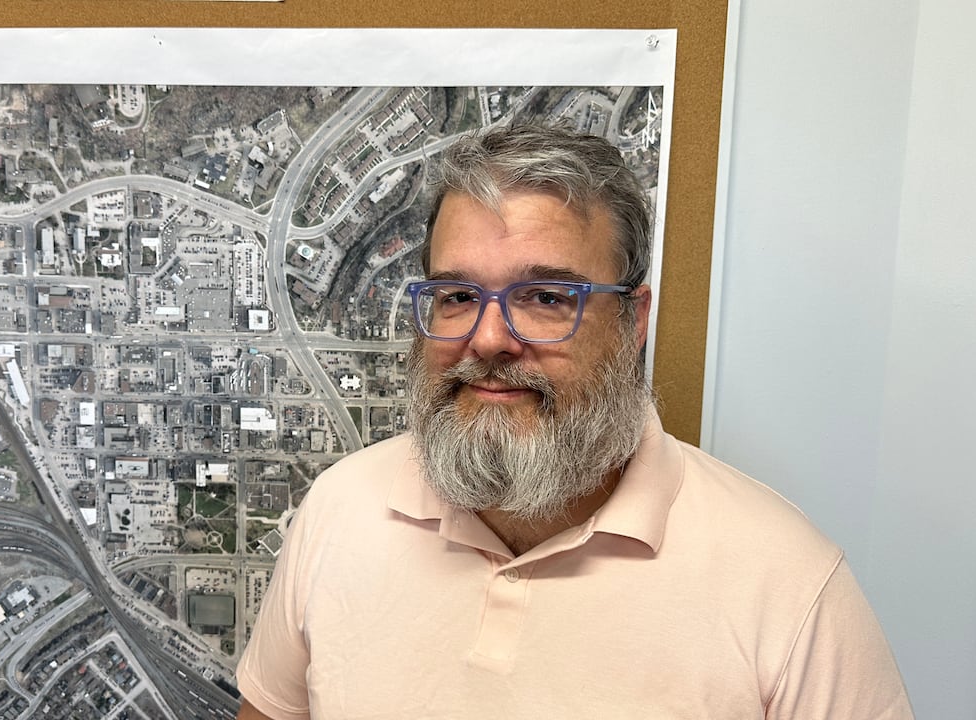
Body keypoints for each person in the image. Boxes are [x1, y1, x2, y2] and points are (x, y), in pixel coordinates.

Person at [235, 124, 912, 719]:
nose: (490, 338)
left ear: (631, 322)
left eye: (546, 297)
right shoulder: (339, 511)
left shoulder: (789, 586)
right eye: (459, 294)